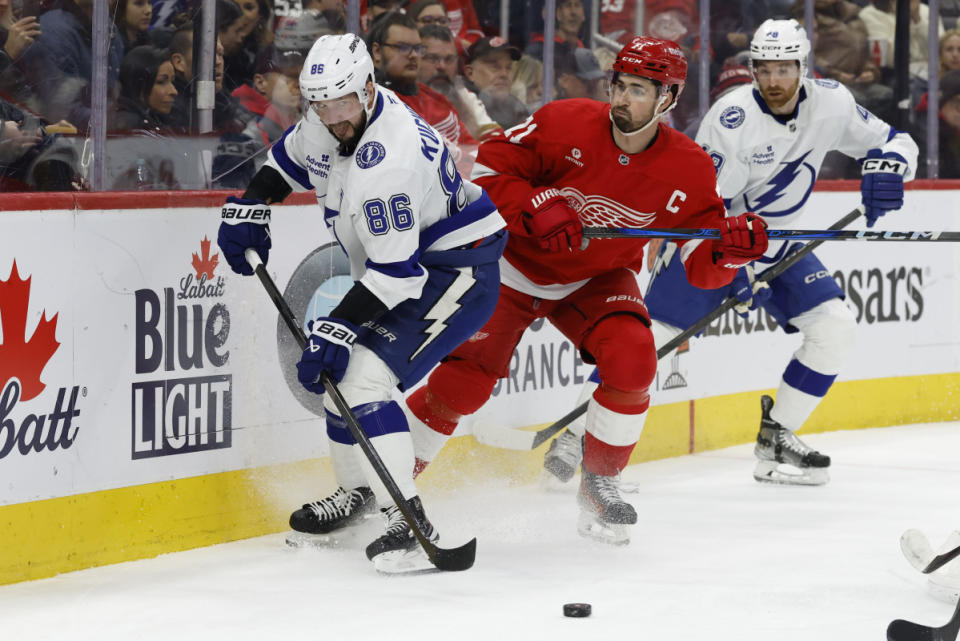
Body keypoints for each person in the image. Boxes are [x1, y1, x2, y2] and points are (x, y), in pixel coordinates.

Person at [401, 37, 768, 546]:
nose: (621, 98)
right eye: (619, 84)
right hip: (512, 267)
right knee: (465, 381)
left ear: (668, 99)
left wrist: (730, 252)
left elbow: (701, 267)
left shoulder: (689, 168)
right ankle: (386, 486)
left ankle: (600, 484)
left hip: (594, 279)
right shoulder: (564, 121)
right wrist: (531, 206)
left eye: (638, 89)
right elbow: (488, 171)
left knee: (635, 360)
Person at [544, 19, 919, 488]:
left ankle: (777, 436)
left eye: (784, 69)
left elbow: (894, 140)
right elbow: (701, 209)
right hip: (710, 242)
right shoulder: (731, 119)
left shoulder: (833, 102)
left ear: (803, 67)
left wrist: (889, 169)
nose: (774, 81)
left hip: (779, 242)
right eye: (763, 69)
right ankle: (576, 437)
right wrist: (734, 269)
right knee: (648, 345)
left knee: (835, 329)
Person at [215, 33, 506, 572]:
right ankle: (358, 496)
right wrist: (253, 205)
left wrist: (336, 328)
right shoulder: (334, 115)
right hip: (410, 267)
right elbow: (289, 161)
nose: (331, 116)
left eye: (342, 102)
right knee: (340, 377)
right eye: (319, 104)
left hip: (454, 274)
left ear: (369, 89)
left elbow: (395, 274)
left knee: (361, 378)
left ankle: (409, 520)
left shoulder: (389, 164)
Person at [418, 24, 501, 140]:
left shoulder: (465, 97)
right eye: (432, 58)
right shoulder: (399, 100)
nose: (442, 66)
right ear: (415, 60)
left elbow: (495, 141)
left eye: (449, 59)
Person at [463, 36, 529, 128]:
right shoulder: (460, 107)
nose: (504, 74)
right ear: (470, 73)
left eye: (508, 67)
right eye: (495, 67)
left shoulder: (516, 108)